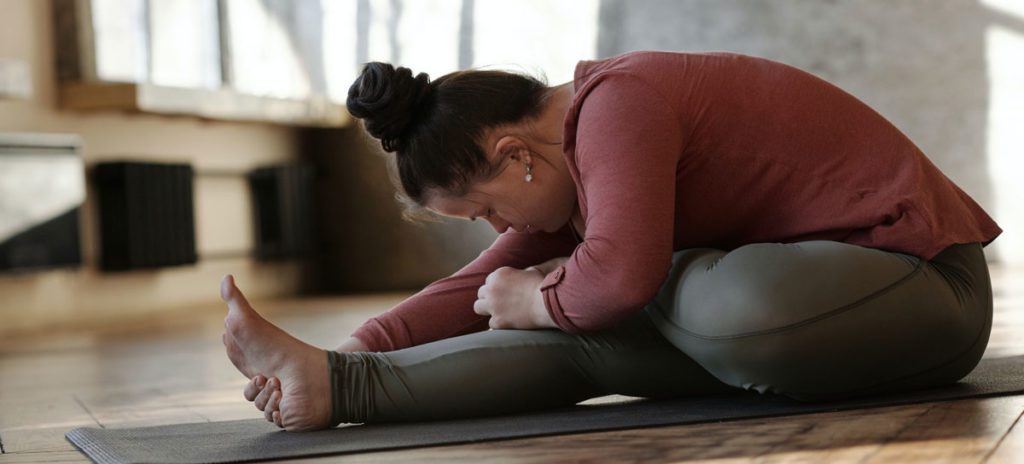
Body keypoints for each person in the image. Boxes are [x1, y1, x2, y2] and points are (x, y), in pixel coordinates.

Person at [220, 50, 1002, 432]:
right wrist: (358, 351)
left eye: (483, 209)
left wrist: (551, 290)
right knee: (575, 333)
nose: (498, 232)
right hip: (829, 336)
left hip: (921, 287)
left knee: (615, 294)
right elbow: (480, 287)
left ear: (515, 156)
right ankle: (337, 390)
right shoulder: (562, 174)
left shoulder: (619, 106)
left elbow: (621, 277)